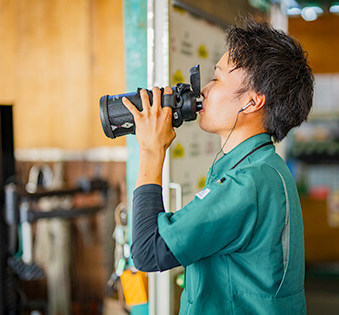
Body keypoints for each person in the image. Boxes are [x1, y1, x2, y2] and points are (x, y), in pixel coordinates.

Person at [122, 18, 314, 314]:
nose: (205, 91)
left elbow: (149, 251)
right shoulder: (262, 169)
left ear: (252, 102)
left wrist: (151, 150)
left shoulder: (249, 183)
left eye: (217, 78)